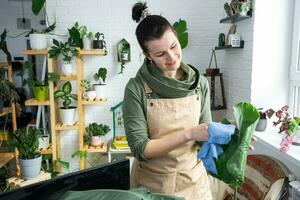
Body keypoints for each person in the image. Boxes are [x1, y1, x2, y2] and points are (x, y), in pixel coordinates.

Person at [122, 2, 213, 199]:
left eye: (174, 46)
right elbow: (140, 148)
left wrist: (233, 140)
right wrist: (188, 133)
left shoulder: (200, 84)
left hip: (194, 184)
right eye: (160, 54)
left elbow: (206, 133)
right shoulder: (136, 88)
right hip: (153, 186)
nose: (172, 57)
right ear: (148, 56)